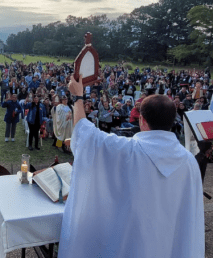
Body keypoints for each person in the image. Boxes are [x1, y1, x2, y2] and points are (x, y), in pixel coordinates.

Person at [59, 74, 204, 257]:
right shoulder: (189, 161)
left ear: (141, 120)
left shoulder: (127, 151)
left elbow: (85, 136)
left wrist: (78, 98)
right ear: (172, 121)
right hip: (166, 247)